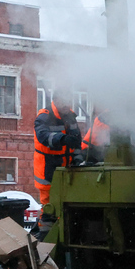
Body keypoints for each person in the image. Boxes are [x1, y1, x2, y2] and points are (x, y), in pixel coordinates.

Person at [33, 89, 82, 237]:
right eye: (65, 101)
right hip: (48, 170)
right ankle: (43, 242)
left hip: (66, 170)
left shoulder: (71, 117)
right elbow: (43, 136)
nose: (68, 104)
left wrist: (78, 160)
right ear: (57, 101)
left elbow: (76, 143)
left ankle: (55, 239)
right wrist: (62, 138)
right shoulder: (44, 116)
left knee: (64, 208)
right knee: (49, 209)